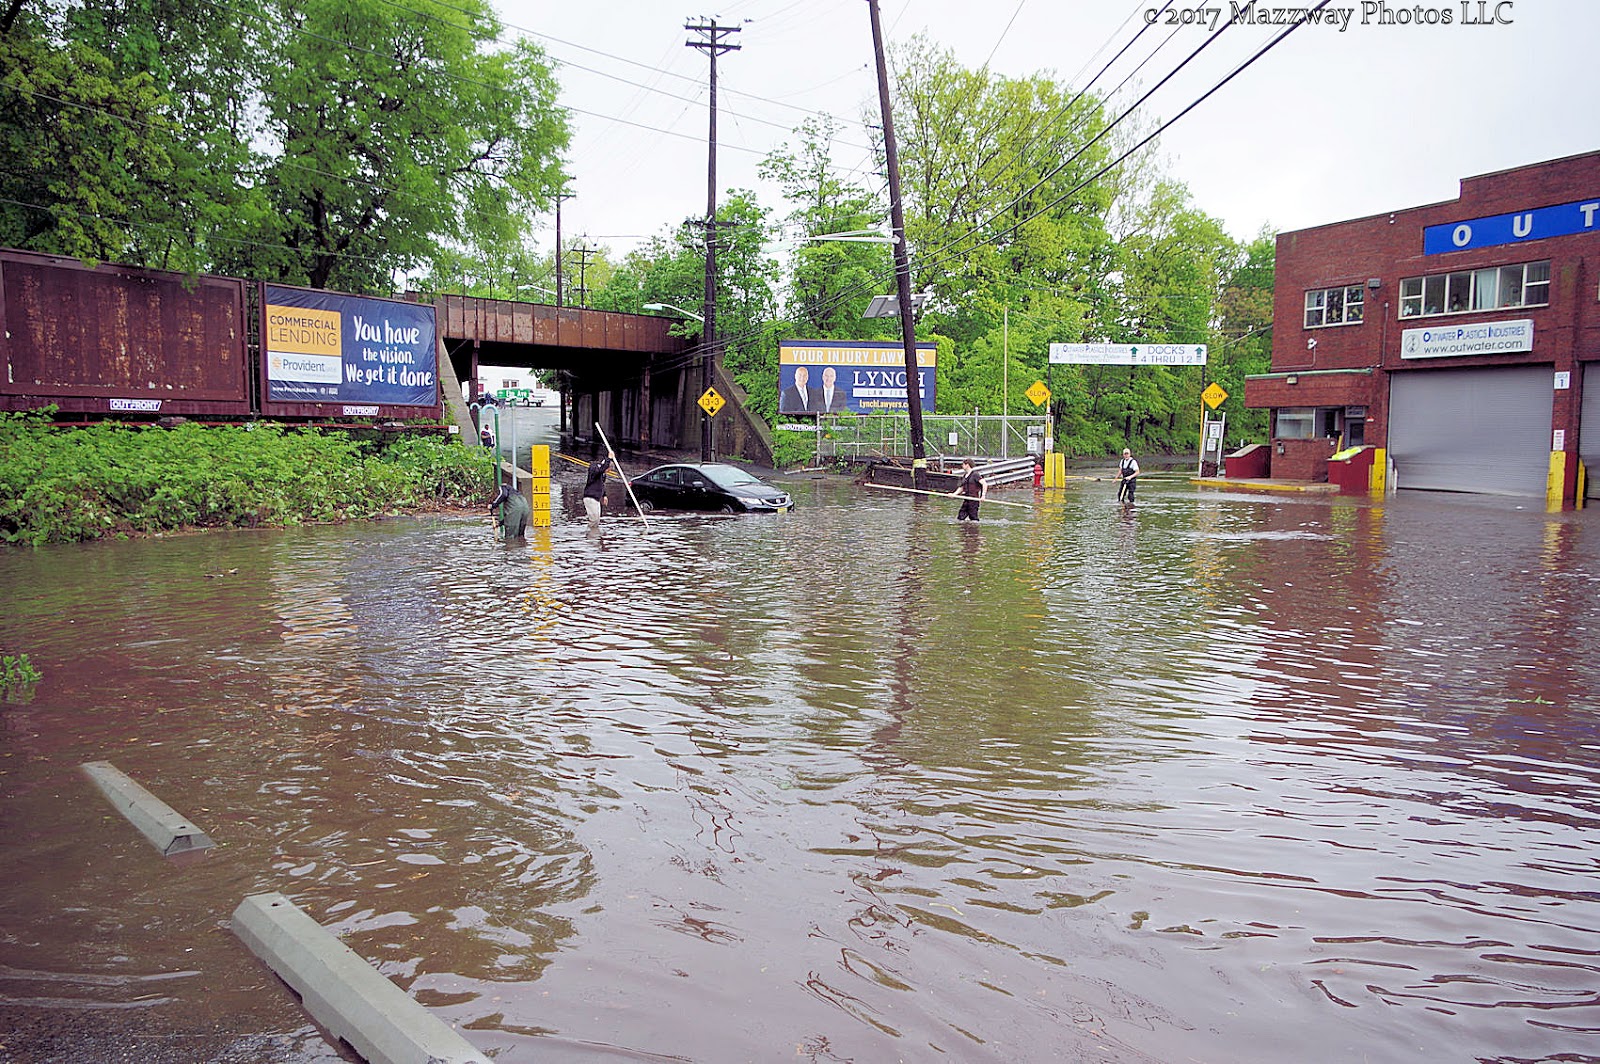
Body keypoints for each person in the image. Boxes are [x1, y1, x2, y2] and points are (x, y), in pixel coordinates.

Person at [583, 448, 614, 523]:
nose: (607, 472)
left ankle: (593, 530)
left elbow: (602, 484)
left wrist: (604, 495)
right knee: (594, 521)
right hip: (590, 498)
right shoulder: (594, 468)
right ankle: (591, 531)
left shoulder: (602, 474)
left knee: (596, 520)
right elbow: (601, 470)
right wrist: (608, 459)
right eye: (608, 470)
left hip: (596, 499)